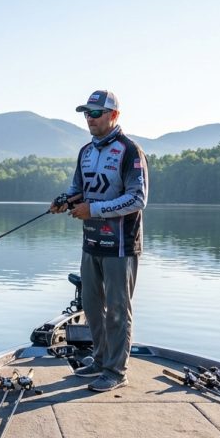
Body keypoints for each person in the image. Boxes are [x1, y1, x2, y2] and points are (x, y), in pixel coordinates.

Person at [49, 90, 148, 392]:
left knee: (118, 309)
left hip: (120, 245)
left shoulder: (130, 150)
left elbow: (138, 198)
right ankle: (100, 358)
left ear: (113, 115)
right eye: (85, 114)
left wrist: (94, 210)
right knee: (92, 306)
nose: (88, 119)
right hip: (91, 243)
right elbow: (79, 188)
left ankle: (117, 371)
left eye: (95, 113)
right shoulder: (86, 152)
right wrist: (65, 201)